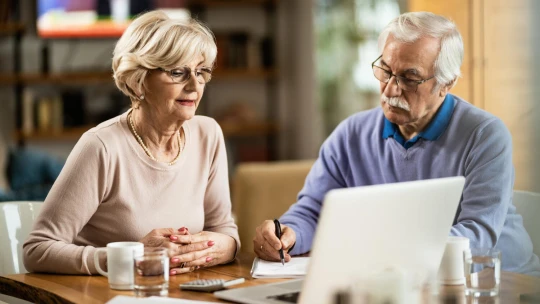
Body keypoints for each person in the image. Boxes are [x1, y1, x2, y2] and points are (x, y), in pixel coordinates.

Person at [253, 11, 540, 276]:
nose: (391, 88)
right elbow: (314, 210)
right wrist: (288, 234)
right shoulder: (350, 134)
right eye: (385, 70)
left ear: (446, 83)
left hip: (501, 280)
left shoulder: (485, 135)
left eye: (409, 78)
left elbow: (476, 236)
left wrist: (384, 252)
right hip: (400, 280)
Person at [23, 10, 239, 275]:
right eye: (177, 72)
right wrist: (131, 256)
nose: (195, 85)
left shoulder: (208, 134)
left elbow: (225, 232)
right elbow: (37, 250)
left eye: (201, 71)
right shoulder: (101, 147)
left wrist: (218, 248)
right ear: (139, 81)